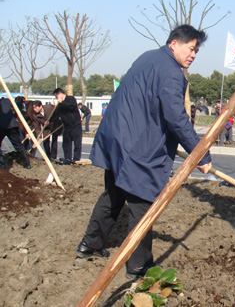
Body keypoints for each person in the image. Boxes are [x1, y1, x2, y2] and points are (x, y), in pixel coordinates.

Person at [75, 24, 212, 280]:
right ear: (174, 43)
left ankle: (89, 245)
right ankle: (139, 265)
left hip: (115, 137)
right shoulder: (172, 71)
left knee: (113, 195)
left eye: (196, 51)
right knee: (142, 206)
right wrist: (200, 154)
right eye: (191, 48)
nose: (193, 55)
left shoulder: (148, 56)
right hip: (137, 146)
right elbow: (176, 116)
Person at [53, 88, 83, 163]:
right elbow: (55, 113)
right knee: (66, 143)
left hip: (76, 124)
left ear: (60, 94)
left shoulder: (71, 99)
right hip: (66, 126)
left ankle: (76, 159)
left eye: (56, 96)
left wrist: (62, 102)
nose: (56, 98)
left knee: (77, 142)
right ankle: (67, 158)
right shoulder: (59, 105)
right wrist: (48, 121)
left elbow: (71, 106)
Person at [0, 97, 31, 169]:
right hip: (12, 125)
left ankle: (1, 166)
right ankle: (27, 164)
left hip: (2, 125)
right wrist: (14, 117)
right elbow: (18, 106)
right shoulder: (8, 101)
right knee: (19, 146)